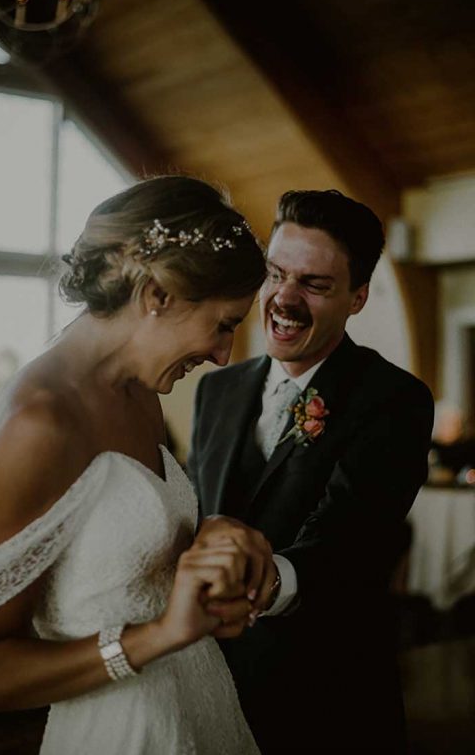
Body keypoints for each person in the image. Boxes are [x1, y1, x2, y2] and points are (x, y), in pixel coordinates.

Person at [0, 176, 268, 754]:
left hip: (201, 704)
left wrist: (210, 538)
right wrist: (158, 637)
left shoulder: (138, 391)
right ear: (157, 296)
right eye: (224, 324)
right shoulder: (41, 420)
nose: (224, 354)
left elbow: (124, 561)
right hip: (122, 731)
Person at [186, 190, 434, 754]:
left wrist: (257, 584)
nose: (284, 299)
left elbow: (351, 544)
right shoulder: (216, 389)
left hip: (328, 699)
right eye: (276, 274)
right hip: (207, 684)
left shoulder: (395, 400)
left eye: (314, 284)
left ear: (358, 298)